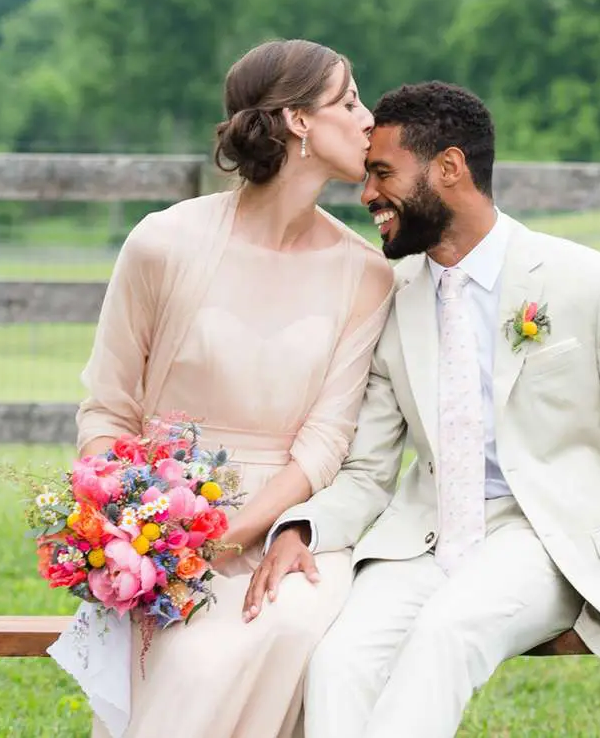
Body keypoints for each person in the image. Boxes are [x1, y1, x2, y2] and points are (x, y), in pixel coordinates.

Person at [247, 81, 600, 738]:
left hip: (545, 541)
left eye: (383, 173)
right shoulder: (392, 294)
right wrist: (303, 528)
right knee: (338, 662)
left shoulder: (586, 283)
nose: (366, 196)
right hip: (422, 540)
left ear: (449, 168)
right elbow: (368, 472)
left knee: (446, 635)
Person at [59, 39, 394, 738]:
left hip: (287, 525)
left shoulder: (366, 273)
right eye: (351, 100)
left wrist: (248, 529)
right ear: (299, 120)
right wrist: (128, 524)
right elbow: (110, 405)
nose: (369, 120)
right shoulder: (162, 244)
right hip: (164, 525)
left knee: (293, 624)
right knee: (193, 662)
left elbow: (328, 438)